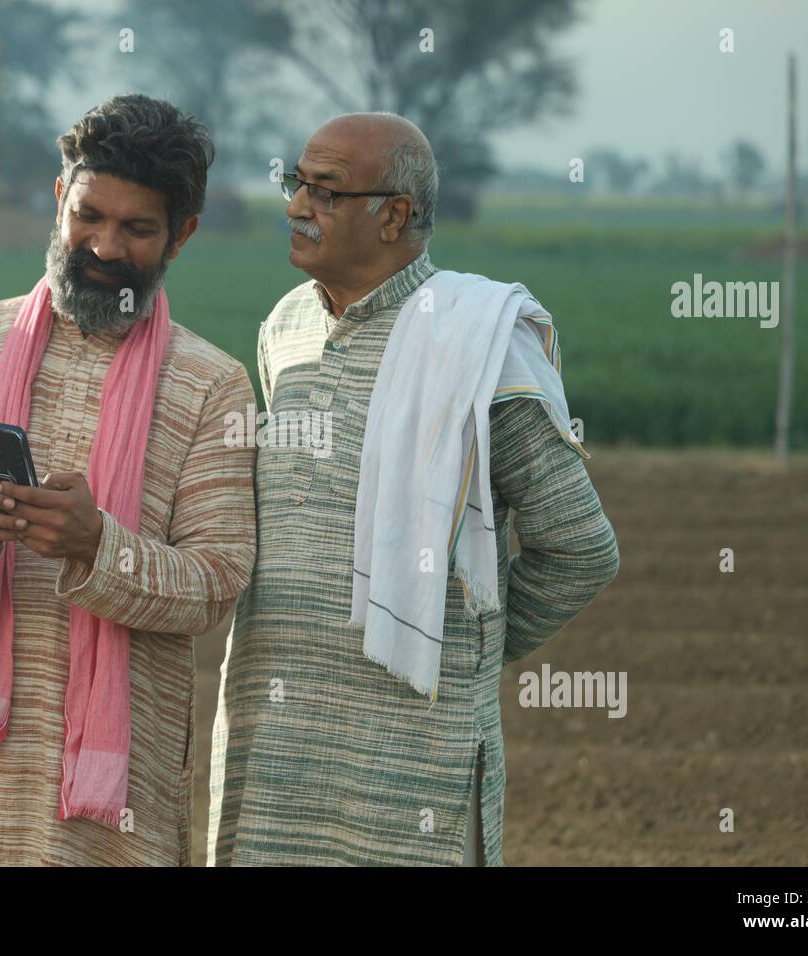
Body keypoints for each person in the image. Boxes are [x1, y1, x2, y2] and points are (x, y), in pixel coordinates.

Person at [207, 112, 620, 866]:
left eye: (325, 191)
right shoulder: (284, 327)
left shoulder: (479, 343)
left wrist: (456, 642)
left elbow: (580, 548)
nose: (296, 205)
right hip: (277, 737)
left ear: (393, 213)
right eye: (296, 183)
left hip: (412, 749)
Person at [0, 94, 256, 866]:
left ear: (184, 234)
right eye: (88, 216)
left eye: (137, 229)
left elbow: (216, 581)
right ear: (57, 201)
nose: (104, 246)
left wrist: (97, 545)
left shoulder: (212, 386)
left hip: (112, 781)